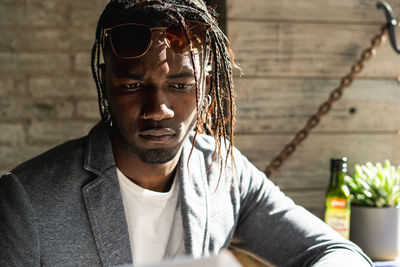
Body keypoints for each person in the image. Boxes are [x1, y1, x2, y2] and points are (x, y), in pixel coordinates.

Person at [0, 0, 373, 266]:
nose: (157, 108)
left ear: (206, 87)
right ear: (105, 81)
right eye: (132, 86)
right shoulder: (27, 201)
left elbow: (338, 253)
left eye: (180, 86)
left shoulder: (223, 172)